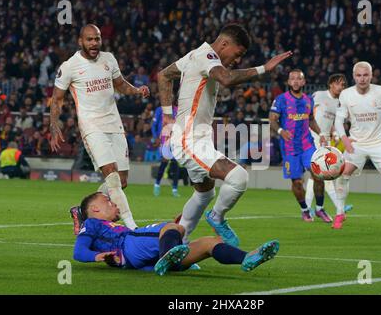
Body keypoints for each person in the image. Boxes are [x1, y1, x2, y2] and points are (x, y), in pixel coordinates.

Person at [157, 24, 291, 246]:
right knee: (239, 177)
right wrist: (263, 69)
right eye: (238, 54)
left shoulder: (195, 54)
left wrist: (166, 115)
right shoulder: (207, 56)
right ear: (224, 44)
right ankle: (216, 217)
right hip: (189, 140)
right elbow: (226, 78)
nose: (237, 60)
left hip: (197, 138)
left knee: (204, 195)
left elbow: (164, 75)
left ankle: (178, 245)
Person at [50, 24, 150, 234]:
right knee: (111, 176)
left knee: (121, 181)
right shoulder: (69, 66)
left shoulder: (109, 59)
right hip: (91, 125)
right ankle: (132, 227)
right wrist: (53, 125)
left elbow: (120, 84)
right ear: (80, 41)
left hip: (114, 123)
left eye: (97, 39)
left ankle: (81, 211)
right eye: (90, 40)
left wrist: (136, 90)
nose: (94, 43)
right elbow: (57, 99)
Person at [73, 192, 280, 276]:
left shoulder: (109, 227)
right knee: (174, 229)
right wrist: (96, 256)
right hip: (128, 246)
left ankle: (247, 258)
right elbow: (78, 250)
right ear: (96, 210)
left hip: (139, 256)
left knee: (210, 242)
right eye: (107, 201)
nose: (114, 203)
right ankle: (168, 253)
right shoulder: (92, 223)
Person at [333, 61, 381, 232]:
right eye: (358, 75)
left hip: (379, 143)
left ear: (371, 75)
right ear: (353, 76)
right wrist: (344, 139)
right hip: (356, 143)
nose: (362, 79)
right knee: (342, 174)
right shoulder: (346, 94)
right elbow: (338, 120)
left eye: (365, 75)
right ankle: (339, 213)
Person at [269, 69, 330, 223]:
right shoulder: (281, 100)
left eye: (299, 79)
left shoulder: (308, 100)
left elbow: (310, 120)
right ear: (289, 82)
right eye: (293, 79)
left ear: (303, 82)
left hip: (307, 145)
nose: (296, 81)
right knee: (297, 182)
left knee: (318, 175)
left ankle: (320, 209)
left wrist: (321, 133)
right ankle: (304, 210)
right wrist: (281, 130)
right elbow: (272, 119)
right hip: (289, 148)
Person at [305, 74, 353, 215]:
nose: (341, 87)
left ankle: (310, 208)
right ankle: (335, 207)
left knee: (320, 174)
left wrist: (335, 134)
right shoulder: (319, 95)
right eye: (338, 83)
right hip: (313, 136)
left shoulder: (338, 103)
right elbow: (308, 112)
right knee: (320, 173)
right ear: (331, 84)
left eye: (343, 85)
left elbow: (332, 122)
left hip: (325, 140)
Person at [151, 104, 181, 197]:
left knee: (175, 165)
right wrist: (156, 137)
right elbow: (154, 125)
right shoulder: (160, 109)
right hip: (164, 140)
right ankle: (157, 184)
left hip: (175, 140)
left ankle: (175, 189)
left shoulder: (177, 109)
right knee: (164, 164)